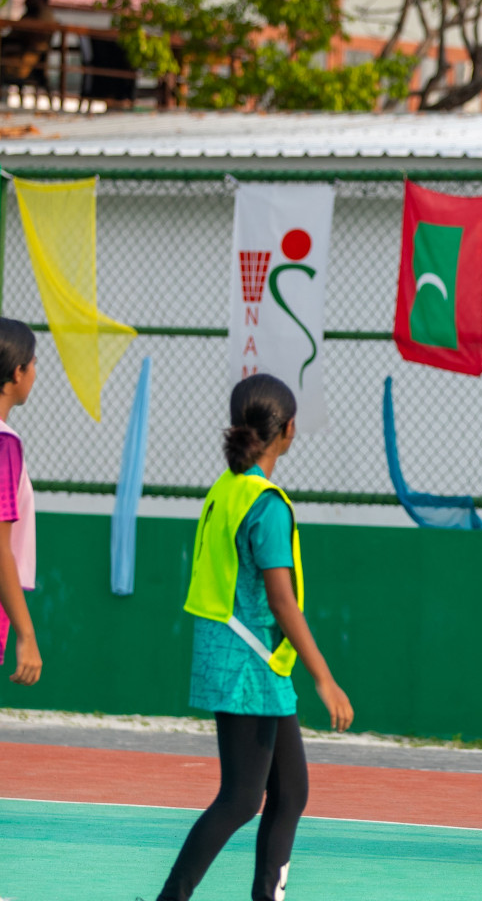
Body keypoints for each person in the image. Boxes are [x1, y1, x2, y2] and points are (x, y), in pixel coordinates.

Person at [157, 374, 354, 901]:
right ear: (288, 430)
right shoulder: (265, 503)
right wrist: (325, 679)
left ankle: (266, 896)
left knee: (290, 792)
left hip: (248, 659)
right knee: (243, 796)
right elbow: (280, 599)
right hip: (250, 662)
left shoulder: (228, 488)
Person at [0, 318, 41, 687]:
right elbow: (0, 547)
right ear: (17, 372)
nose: (35, 372)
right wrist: (26, 633)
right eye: (34, 363)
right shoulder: (4, 443)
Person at [1, 0, 55, 93]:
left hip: (22, 62)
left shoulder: (42, 17)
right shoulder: (34, 14)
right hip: (16, 56)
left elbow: (34, 42)